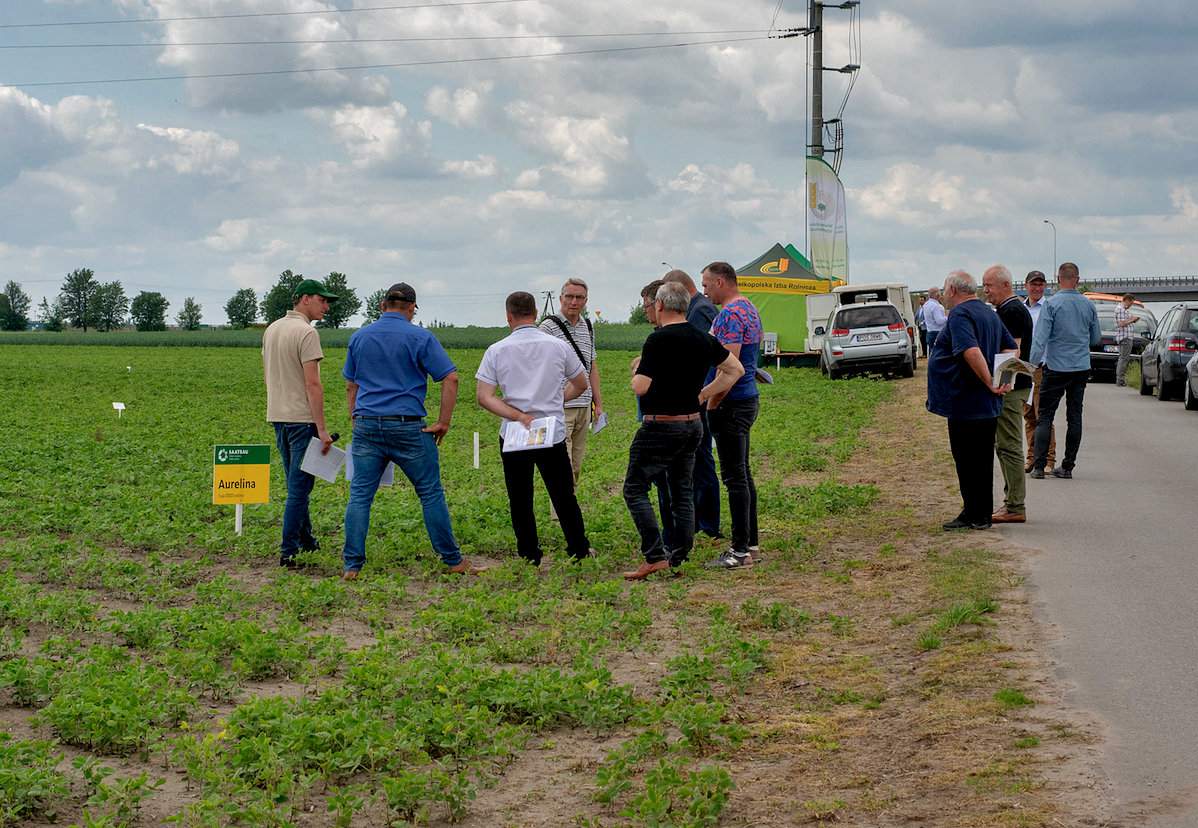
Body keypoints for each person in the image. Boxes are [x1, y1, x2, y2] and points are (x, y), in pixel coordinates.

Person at [340, 283, 469, 579]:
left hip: (367, 425)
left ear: (383, 305)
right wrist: (443, 422)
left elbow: (351, 384)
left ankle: (352, 565)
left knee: (360, 495)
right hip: (408, 426)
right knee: (430, 492)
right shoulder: (421, 336)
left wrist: (355, 418)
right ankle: (453, 560)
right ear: (411, 308)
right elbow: (450, 378)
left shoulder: (359, 337)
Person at [623, 282, 746, 580]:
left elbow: (642, 386)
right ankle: (679, 553)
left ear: (661, 305)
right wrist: (703, 394)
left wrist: (636, 372)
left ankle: (654, 555)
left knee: (634, 488)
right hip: (692, 423)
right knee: (682, 489)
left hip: (660, 425)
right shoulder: (703, 338)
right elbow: (735, 370)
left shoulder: (657, 340)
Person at [477, 291, 593, 565]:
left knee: (520, 496)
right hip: (550, 430)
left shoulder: (497, 350)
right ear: (536, 312)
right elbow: (581, 384)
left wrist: (515, 414)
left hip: (515, 433)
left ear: (508, 317)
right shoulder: (557, 346)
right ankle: (578, 548)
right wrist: (555, 399)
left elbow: (484, 396)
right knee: (563, 494)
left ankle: (529, 553)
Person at [926, 271, 1016, 530]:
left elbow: (971, 350)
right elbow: (1011, 348)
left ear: (953, 290)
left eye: (944, 290)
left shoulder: (960, 315)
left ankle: (974, 514)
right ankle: (980, 513)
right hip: (985, 404)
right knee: (982, 460)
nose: (942, 295)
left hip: (966, 401)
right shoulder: (989, 313)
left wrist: (990, 381)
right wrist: (1003, 378)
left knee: (967, 460)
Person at [262, 278, 338, 569]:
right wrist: (321, 429)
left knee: (296, 483)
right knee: (299, 488)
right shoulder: (307, 333)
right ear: (305, 299)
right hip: (301, 419)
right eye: (323, 300)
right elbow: (313, 384)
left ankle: (306, 539)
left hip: (278, 416)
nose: (326, 306)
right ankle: (288, 551)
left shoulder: (272, 329)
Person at [700, 261, 764, 569]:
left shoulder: (729, 315)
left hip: (731, 403)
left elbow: (729, 369)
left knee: (734, 477)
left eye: (707, 285)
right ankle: (750, 545)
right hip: (747, 399)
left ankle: (739, 551)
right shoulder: (749, 307)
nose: (704, 291)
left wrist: (709, 401)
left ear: (722, 282)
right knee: (743, 475)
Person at [662, 269, 722, 539]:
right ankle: (701, 521)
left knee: (701, 461)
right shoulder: (701, 308)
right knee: (698, 460)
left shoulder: (698, 312)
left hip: (698, 396)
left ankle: (707, 523)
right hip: (700, 394)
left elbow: (694, 354)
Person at [1028, 262, 1102, 480]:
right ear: (1077, 280)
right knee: (1075, 416)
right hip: (1080, 367)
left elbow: (1040, 340)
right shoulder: (1088, 306)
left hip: (1056, 367)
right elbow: (1096, 338)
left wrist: (1030, 366)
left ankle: (1040, 467)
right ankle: (1067, 466)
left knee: (1045, 417)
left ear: (1058, 279)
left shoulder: (1052, 304)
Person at [982, 265, 1033, 524]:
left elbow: (1013, 352)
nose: (986, 290)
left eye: (989, 285)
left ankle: (1015, 505)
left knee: (1009, 446)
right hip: (1014, 385)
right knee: (1004, 445)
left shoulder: (1011, 310)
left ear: (1005, 285)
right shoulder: (1009, 309)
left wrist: (1001, 383)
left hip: (1010, 387)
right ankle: (1011, 502)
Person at [539, 278, 603, 485]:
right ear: (560, 298)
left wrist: (598, 403)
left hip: (584, 406)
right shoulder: (548, 328)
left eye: (579, 297)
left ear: (586, 300)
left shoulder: (588, 326)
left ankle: (569, 510)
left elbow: (591, 365)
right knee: (561, 466)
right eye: (569, 297)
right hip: (560, 406)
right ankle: (562, 516)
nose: (574, 302)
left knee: (575, 466)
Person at [1022, 271, 1056, 472]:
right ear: (1026, 285)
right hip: (1024, 368)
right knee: (1028, 415)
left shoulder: (1049, 308)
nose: (1037, 288)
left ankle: (1049, 459)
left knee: (1043, 415)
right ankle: (1032, 457)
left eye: (1040, 284)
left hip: (1042, 368)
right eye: (1033, 284)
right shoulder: (1021, 308)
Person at [1114, 293, 1141, 387]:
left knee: (1123, 358)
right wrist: (1132, 320)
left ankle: (1120, 379)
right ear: (1127, 300)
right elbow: (1121, 323)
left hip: (1125, 336)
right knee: (1123, 359)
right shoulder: (1121, 310)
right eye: (1131, 303)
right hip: (1125, 337)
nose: (1131, 305)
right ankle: (1120, 379)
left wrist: (1133, 319)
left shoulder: (1123, 310)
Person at [923, 287, 948, 351]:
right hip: (937, 333)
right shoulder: (936, 306)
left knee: (933, 353)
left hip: (929, 332)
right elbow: (939, 321)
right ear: (937, 295)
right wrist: (948, 317)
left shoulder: (926, 305)